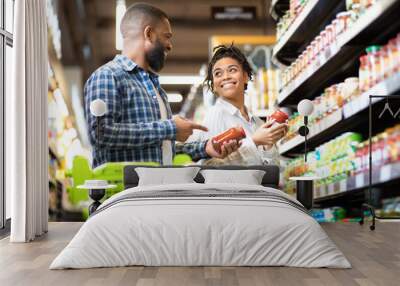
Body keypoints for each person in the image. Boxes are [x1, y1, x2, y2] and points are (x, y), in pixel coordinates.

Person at [84, 3, 239, 168]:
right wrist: (169, 127)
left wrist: (205, 148)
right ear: (149, 34)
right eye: (167, 36)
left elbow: (162, 149)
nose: (170, 45)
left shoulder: (155, 89)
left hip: (155, 190)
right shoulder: (108, 76)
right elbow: (100, 135)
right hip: (125, 191)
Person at [188, 44, 288, 166]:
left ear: (245, 76)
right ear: (214, 85)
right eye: (218, 74)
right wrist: (254, 141)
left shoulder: (257, 122)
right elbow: (211, 166)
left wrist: (269, 143)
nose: (225, 77)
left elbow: (271, 171)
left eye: (232, 70)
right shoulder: (215, 114)